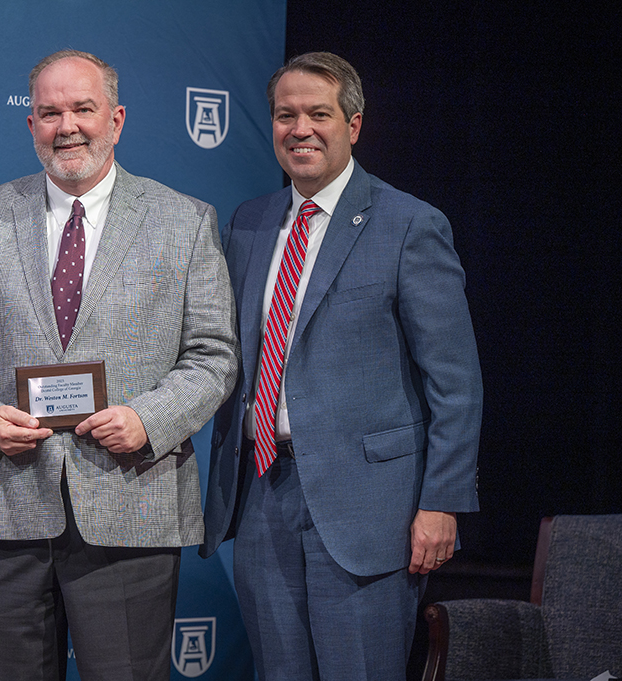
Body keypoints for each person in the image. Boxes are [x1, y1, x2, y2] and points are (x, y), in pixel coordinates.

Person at [0, 49, 239, 681]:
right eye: (49, 112)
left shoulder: (184, 220)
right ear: (30, 125)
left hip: (131, 505)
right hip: (4, 508)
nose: (67, 126)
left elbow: (214, 355)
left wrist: (149, 418)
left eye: (83, 109)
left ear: (116, 120)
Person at [201, 52, 482, 681]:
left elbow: (456, 384)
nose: (300, 128)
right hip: (261, 493)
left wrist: (442, 502)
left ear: (353, 125)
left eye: (318, 114)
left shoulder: (409, 224)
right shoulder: (248, 222)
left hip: (369, 509)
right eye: (285, 115)